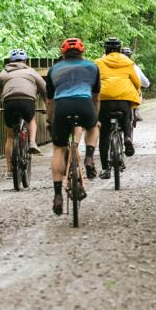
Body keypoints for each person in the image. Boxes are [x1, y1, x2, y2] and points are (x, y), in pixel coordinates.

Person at [46, 38, 100, 216]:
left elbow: (50, 100)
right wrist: (95, 117)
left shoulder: (54, 70)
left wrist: (50, 119)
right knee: (93, 127)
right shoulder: (92, 67)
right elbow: (96, 96)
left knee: (59, 149)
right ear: (82, 52)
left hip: (62, 107)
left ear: (63, 53)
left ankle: (57, 196)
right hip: (84, 104)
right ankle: (89, 157)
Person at [94, 37, 143, 178]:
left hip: (105, 100)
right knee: (126, 118)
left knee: (104, 133)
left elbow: (93, 81)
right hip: (123, 99)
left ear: (105, 49)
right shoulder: (128, 63)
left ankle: (105, 169)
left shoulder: (98, 63)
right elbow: (137, 82)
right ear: (119, 49)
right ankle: (127, 137)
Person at [0, 50, 46, 173]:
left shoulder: (3, 73)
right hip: (27, 102)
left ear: (10, 61)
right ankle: (32, 142)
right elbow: (44, 89)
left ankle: (10, 170)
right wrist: (48, 104)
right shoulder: (31, 72)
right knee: (31, 119)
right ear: (25, 61)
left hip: (9, 103)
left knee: (10, 136)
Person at [122, 45, 150, 131]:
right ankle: (136, 112)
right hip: (130, 94)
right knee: (138, 92)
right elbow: (144, 82)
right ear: (130, 56)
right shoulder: (134, 67)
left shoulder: (110, 65)